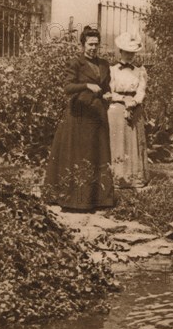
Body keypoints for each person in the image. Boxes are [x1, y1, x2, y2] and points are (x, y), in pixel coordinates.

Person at [44, 26, 115, 211]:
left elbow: (106, 87)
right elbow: (67, 88)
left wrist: (107, 95)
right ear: (83, 44)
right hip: (79, 115)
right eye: (90, 44)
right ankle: (76, 200)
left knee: (98, 153)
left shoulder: (104, 64)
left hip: (98, 114)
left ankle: (99, 198)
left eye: (96, 44)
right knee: (80, 155)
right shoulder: (75, 63)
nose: (93, 48)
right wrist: (86, 85)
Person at [105, 32, 149, 188]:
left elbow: (142, 90)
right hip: (117, 107)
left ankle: (135, 178)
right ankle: (118, 177)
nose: (130, 56)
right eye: (127, 52)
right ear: (120, 52)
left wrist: (135, 102)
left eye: (132, 53)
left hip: (135, 107)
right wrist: (124, 100)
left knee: (134, 141)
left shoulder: (140, 71)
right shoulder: (112, 71)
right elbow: (110, 91)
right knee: (118, 141)